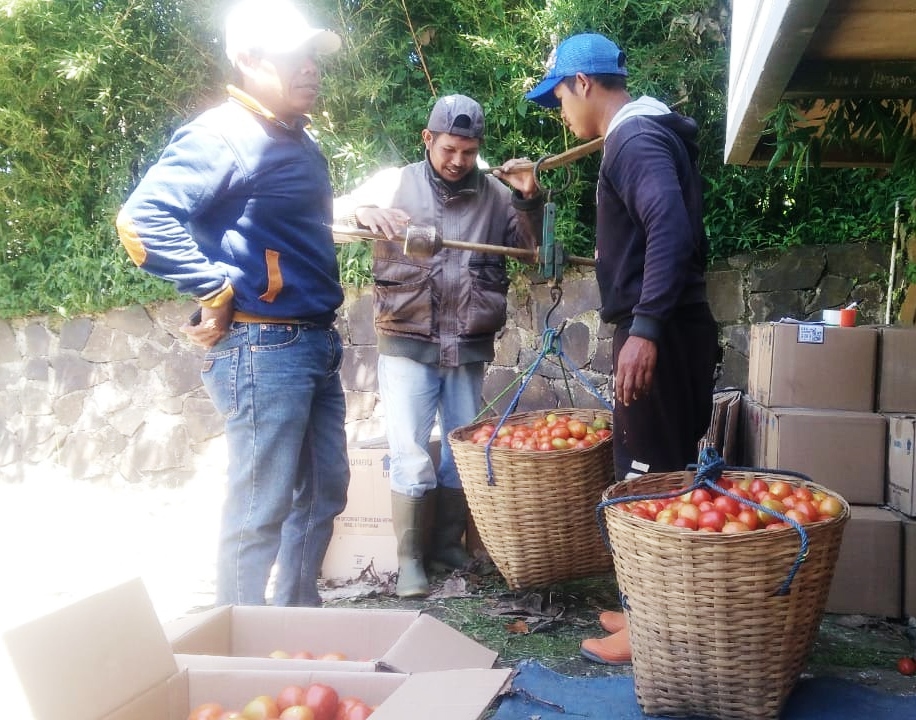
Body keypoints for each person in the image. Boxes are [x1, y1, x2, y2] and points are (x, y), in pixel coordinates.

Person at [115, 0, 350, 607]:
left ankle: (295, 620)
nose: (310, 69)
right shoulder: (224, 134)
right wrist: (214, 289)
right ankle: (240, 641)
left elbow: (284, 229)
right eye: (293, 57)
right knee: (260, 508)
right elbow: (141, 222)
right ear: (248, 59)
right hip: (263, 347)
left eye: (312, 58)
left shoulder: (296, 138)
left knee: (325, 492)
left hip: (314, 344)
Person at [525, 33, 721, 664]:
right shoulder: (648, 135)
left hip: (661, 334)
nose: (561, 114)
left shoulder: (633, 139)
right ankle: (649, 609)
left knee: (644, 482)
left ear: (583, 83)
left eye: (558, 96)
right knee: (661, 475)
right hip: (674, 328)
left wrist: (644, 329)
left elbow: (669, 222)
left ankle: (651, 632)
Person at [332, 95, 544, 598]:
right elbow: (334, 219)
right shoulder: (394, 182)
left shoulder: (496, 192)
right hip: (407, 342)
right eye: (450, 149)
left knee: (460, 453)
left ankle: (449, 545)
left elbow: (532, 252)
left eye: (469, 152)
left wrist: (528, 198)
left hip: (467, 346)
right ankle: (410, 560)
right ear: (428, 139)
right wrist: (366, 212)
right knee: (408, 453)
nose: (458, 161)